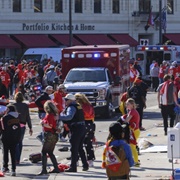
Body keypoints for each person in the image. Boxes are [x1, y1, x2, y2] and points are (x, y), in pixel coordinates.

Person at [59, 93, 89, 172]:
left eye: (66, 100)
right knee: (80, 148)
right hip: (82, 127)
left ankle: (73, 167)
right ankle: (85, 164)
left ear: (70, 100)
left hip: (76, 129)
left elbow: (69, 117)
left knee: (74, 148)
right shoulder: (78, 106)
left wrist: (58, 117)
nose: (65, 101)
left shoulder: (71, 107)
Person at [37, 100, 60, 175]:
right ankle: (56, 167)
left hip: (49, 134)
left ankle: (44, 169)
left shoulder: (49, 115)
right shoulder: (55, 115)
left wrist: (42, 123)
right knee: (50, 152)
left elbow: (50, 125)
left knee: (44, 152)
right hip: (54, 134)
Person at [75, 93, 96, 167]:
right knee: (88, 143)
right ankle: (90, 160)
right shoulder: (89, 105)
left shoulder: (79, 106)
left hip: (83, 124)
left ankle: (76, 160)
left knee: (77, 143)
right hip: (91, 124)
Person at [0, 104, 21, 176]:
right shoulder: (18, 117)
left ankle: (5, 167)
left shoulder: (4, 118)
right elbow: (19, 129)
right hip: (14, 137)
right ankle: (13, 169)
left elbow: (2, 128)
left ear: (8, 110)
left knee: (5, 153)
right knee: (13, 153)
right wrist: (18, 138)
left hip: (5, 137)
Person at [13, 92, 33, 164]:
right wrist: (30, 127)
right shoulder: (25, 106)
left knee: (14, 142)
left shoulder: (12, 105)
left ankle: (15, 158)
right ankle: (18, 159)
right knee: (20, 142)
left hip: (14, 124)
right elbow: (28, 117)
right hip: (22, 125)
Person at [124, 98, 140, 167]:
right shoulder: (132, 111)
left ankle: (136, 162)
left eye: (128, 104)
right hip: (134, 130)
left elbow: (127, 120)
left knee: (132, 147)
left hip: (134, 131)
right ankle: (134, 160)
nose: (126, 105)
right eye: (126, 104)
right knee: (131, 146)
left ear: (132, 104)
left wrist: (123, 119)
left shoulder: (132, 112)